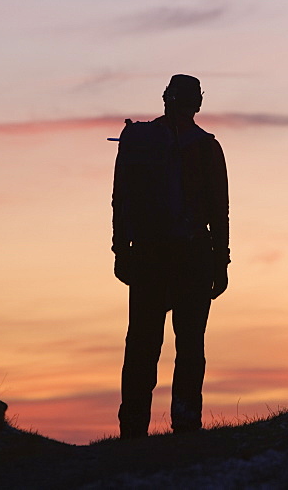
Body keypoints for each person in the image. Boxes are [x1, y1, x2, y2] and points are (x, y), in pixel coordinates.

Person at [112, 74, 230, 439]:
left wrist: (121, 250)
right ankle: (186, 423)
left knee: (142, 343)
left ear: (166, 99)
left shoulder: (137, 141)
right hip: (194, 255)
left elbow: (121, 199)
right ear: (197, 103)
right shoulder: (207, 148)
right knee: (190, 343)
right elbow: (219, 210)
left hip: (148, 254)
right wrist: (221, 262)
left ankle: (133, 427)